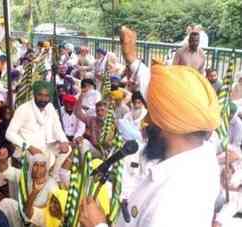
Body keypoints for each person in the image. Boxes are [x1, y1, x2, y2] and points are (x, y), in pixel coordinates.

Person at [79, 26, 221, 227]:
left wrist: (98, 225)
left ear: (169, 124)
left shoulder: (177, 200)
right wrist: (132, 58)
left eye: (151, 116)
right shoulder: (198, 147)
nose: (145, 123)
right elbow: (163, 96)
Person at [6, 80, 70, 173]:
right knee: (40, 160)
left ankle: (54, 174)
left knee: (68, 149)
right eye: (40, 95)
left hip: (47, 146)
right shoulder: (23, 109)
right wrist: (29, 147)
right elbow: (9, 133)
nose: (43, 99)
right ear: (35, 94)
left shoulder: (50, 107)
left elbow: (57, 127)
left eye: (47, 96)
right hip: (28, 149)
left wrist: (63, 141)